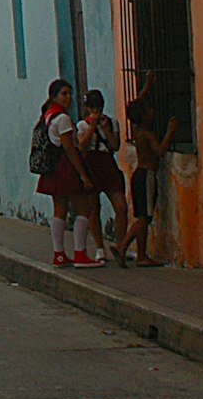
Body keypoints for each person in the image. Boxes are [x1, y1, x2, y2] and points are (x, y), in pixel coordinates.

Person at [33, 78, 101, 267]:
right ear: (54, 96)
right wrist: (82, 175)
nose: (68, 97)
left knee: (60, 209)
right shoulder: (62, 118)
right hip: (66, 167)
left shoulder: (47, 115)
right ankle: (80, 253)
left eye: (70, 93)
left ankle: (59, 253)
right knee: (83, 208)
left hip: (55, 168)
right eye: (64, 93)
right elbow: (70, 148)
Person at [121, 79, 179, 267]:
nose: (152, 111)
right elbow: (161, 151)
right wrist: (170, 131)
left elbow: (137, 102)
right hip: (147, 175)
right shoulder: (147, 133)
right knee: (144, 218)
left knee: (142, 216)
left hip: (139, 174)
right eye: (149, 110)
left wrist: (146, 86)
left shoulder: (136, 129)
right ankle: (123, 247)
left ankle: (141, 255)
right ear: (145, 116)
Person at [76, 90, 128, 265]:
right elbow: (82, 146)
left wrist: (105, 128)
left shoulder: (112, 122)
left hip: (107, 164)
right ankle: (99, 248)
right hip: (91, 164)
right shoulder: (82, 125)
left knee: (121, 207)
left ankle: (121, 246)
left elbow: (115, 145)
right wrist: (92, 126)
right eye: (92, 107)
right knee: (93, 208)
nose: (96, 110)